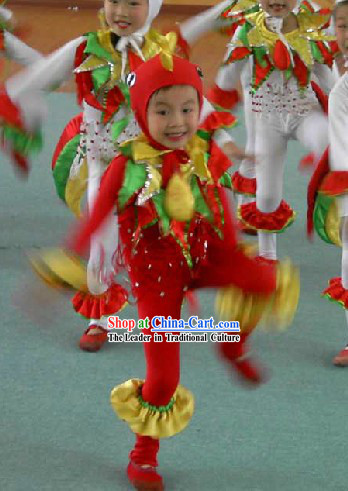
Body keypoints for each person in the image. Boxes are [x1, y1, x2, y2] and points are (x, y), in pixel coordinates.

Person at [29, 54, 299, 490]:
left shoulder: (203, 148)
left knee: (266, 280)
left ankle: (231, 347)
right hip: (156, 278)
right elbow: (94, 218)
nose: (178, 122)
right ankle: (142, 457)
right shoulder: (125, 164)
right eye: (163, 110)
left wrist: (234, 253)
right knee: (163, 380)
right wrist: (62, 266)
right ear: (141, 112)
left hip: (207, 254)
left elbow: (221, 203)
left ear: (199, 108)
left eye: (188, 109)